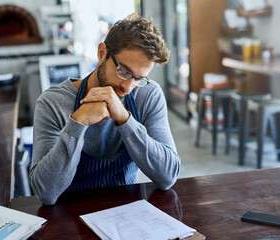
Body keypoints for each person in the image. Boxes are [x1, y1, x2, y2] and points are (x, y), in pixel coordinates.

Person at [29, 14, 181, 205]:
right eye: (124, 72)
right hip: (68, 219)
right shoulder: (52, 103)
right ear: (102, 53)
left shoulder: (148, 95)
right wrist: (78, 122)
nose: (127, 87)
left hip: (125, 215)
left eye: (138, 78)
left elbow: (167, 177)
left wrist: (125, 119)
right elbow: (46, 193)